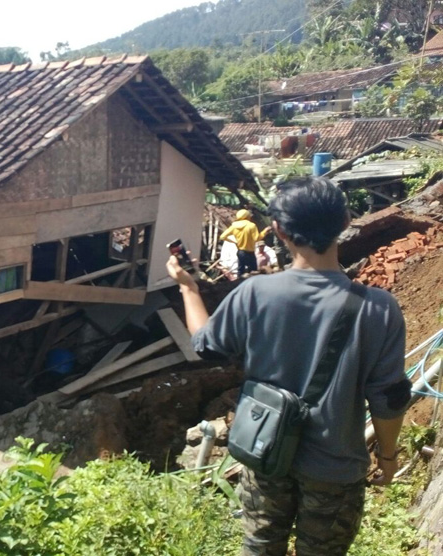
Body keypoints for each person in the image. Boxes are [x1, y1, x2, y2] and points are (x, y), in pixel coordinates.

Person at [167, 177, 411, 556]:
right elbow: (389, 398)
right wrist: (389, 457)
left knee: (261, 546)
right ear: (346, 221)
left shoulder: (254, 294)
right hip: (335, 466)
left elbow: (206, 346)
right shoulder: (379, 308)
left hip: (265, 452)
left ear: (279, 231)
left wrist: (188, 288)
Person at [219, 208, 271, 276]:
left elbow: (222, 236)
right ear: (247, 216)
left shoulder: (234, 226)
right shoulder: (251, 225)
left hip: (241, 252)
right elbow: (256, 238)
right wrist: (264, 232)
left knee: (241, 271)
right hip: (250, 253)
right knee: (253, 272)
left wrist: (234, 241)